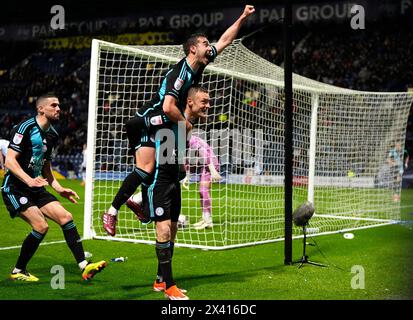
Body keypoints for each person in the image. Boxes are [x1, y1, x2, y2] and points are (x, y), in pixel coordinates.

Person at [103, 5, 256, 236]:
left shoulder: (200, 64)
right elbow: (167, 107)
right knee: (146, 170)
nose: (209, 46)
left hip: (165, 124)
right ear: (193, 49)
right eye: (205, 43)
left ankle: (140, 203)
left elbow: (224, 41)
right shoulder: (179, 75)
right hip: (147, 121)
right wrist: (185, 123)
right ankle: (112, 211)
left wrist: (242, 17)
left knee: (174, 171)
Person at [1, 93, 107, 282]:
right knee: (41, 226)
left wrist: (58, 188)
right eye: (53, 105)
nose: (59, 108)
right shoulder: (25, 127)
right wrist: (28, 180)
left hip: (35, 186)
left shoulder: (53, 134)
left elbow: (46, 167)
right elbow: (9, 161)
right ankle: (18, 271)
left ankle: (84, 266)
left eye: (59, 105)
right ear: (41, 109)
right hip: (16, 187)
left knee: (66, 217)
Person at [127, 86, 211, 300]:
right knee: (163, 230)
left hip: (173, 181)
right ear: (190, 102)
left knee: (172, 231)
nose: (208, 105)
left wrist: (182, 169)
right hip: (160, 181)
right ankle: (170, 287)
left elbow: (174, 152)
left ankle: (160, 280)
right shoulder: (170, 117)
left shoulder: (187, 125)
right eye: (204, 101)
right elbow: (138, 128)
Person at [182, 134, 222, 230]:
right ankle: (205, 218)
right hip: (202, 165)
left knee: (203, 191)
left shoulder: (192, 140)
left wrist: (213, 171)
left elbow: (205, 154)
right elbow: (186, 160)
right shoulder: (183, 143)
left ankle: (208, 221)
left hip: (210, 164)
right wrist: (186, 177)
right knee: (201, 192)